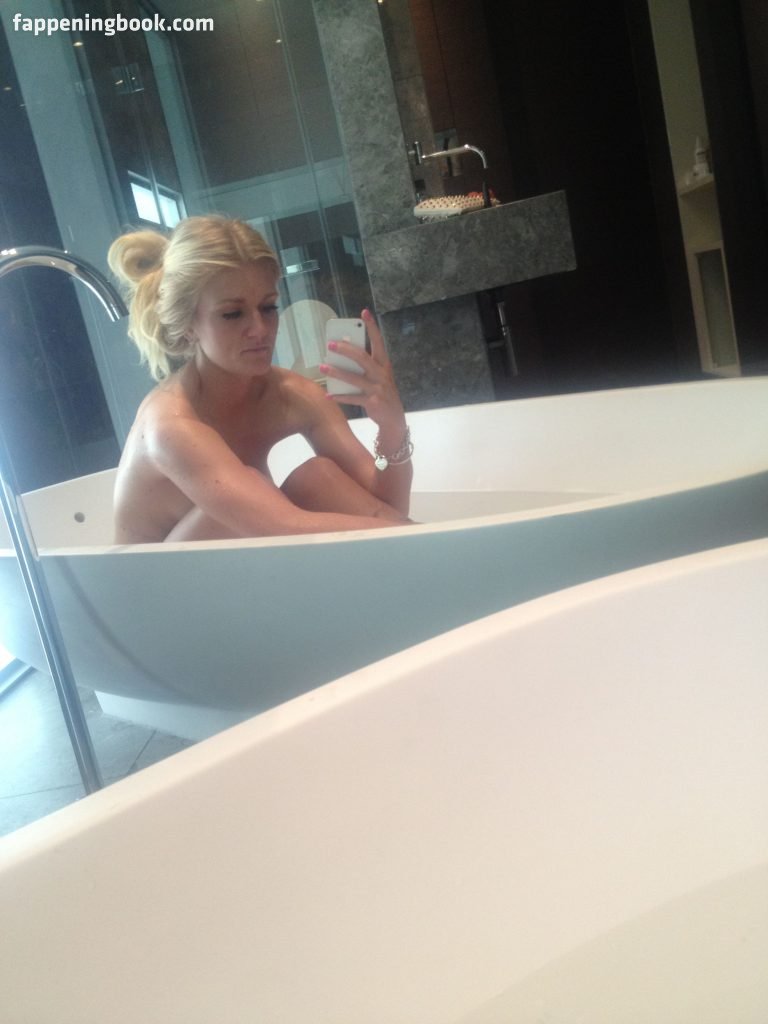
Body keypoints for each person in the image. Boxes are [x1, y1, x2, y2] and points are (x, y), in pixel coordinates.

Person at [107, 215, 414, 543]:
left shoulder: (292, 395)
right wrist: (435, 537)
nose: (260, 330)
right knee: (246, 500)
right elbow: (282, 526)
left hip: (240, 563)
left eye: (268, 307)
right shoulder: (169, 425)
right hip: (157, 574)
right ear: (188, 325)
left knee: (318, 477)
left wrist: (392, 425)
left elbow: (387, 507)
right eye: (232, 314)